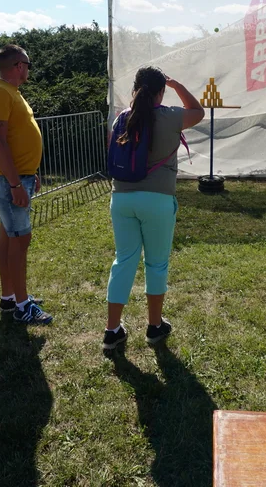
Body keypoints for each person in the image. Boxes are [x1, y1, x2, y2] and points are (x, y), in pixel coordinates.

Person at [104, 66, 205, 351]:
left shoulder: (121, 119)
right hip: (158, 200)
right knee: (156, 263)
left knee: (123, 260)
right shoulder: (170, 116)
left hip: (121, 198)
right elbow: (198, 111)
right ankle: (154, 325)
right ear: (160, 91)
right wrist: (176, 85)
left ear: (135, 88)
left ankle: (112, 331)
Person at [0, 44, 52, 325]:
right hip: (8, 180)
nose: (28, 69)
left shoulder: (11, 92)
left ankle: (9, 297)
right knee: (20, 239)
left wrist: (27, 173)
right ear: (18, 65)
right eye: (28, 64)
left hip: (17, 177)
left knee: (8, 236)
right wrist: (14, 184)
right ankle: (23, 306)